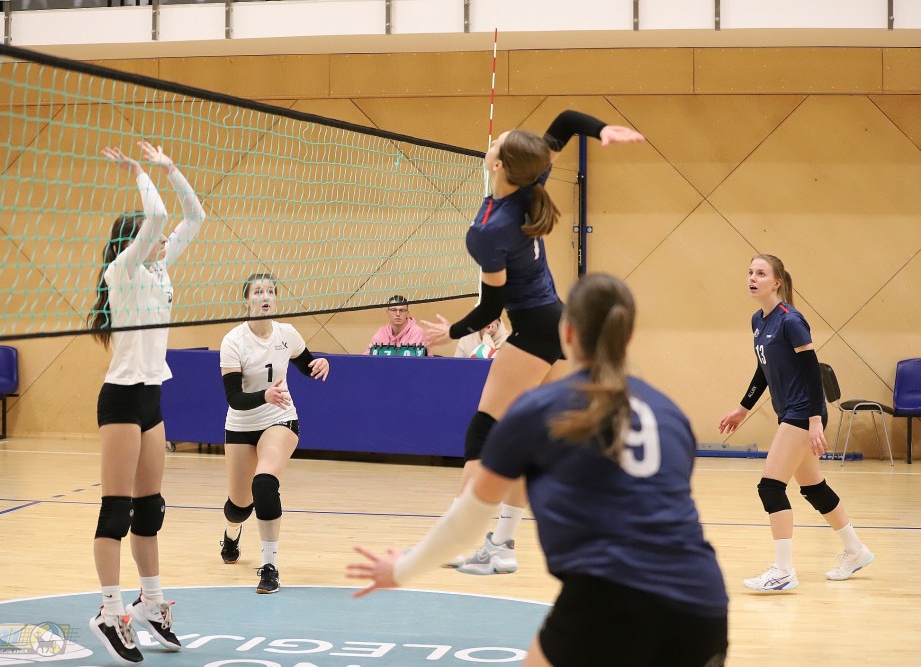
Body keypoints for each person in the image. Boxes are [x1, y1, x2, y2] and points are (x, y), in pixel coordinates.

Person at [349, 274, 729, 667]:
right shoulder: (670, 413)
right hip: (703, 603)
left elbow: (466, 525)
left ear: (566, 332)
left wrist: (401, 570)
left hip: (606, 595)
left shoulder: (539, 409)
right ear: (628, 336)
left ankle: (502, 548)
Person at [421, 111, 645, 574]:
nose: (492, 142)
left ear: (499, 164)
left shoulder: (488, 232)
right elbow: (565, 121)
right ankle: (502, 546)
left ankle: (457, 540)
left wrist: (452, 332)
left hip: (536, 330)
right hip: (556, 324)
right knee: (529, 436)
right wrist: (603, 130)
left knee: (483, 430)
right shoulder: (529, 182)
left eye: (497, 142)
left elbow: (491, 306)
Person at [87, 140, 205, 665]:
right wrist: (139, 171)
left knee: (150, 509)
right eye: (152, 237)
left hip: (152, 398)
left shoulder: (159, 270)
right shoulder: (124, 273)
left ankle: (151, 602)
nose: (162, 239)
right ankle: (109, 611)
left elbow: (194, 218)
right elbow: (156, 217)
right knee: (116, 511)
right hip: (120, 400)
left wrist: (171, 169)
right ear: (132, 242)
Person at [718, 254, 874, 591]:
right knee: (813, 487)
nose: (752, 278)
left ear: (776, 282)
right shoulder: (758, 320)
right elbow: (764, 369)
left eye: (761, 273)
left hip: (804, 412)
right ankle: (855, 549)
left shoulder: (791, 320)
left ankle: (784, 570)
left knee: (770, 486)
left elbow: (811, 372)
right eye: (750, 272)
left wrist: (815, 420)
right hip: (790, 412)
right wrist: (743, 409)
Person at [219, 272, 330, 594]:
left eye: (269, 291)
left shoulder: (287, 334)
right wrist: (264, 395)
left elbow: (306, 366)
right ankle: (231, 532)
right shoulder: (233, 341)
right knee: (239, 505)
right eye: (257, 291)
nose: (264, 296)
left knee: (264, 483)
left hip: (280, 419)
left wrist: (320, 365)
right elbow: (234, 399)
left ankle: (269, 567)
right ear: (246, 300)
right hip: (241, 423)